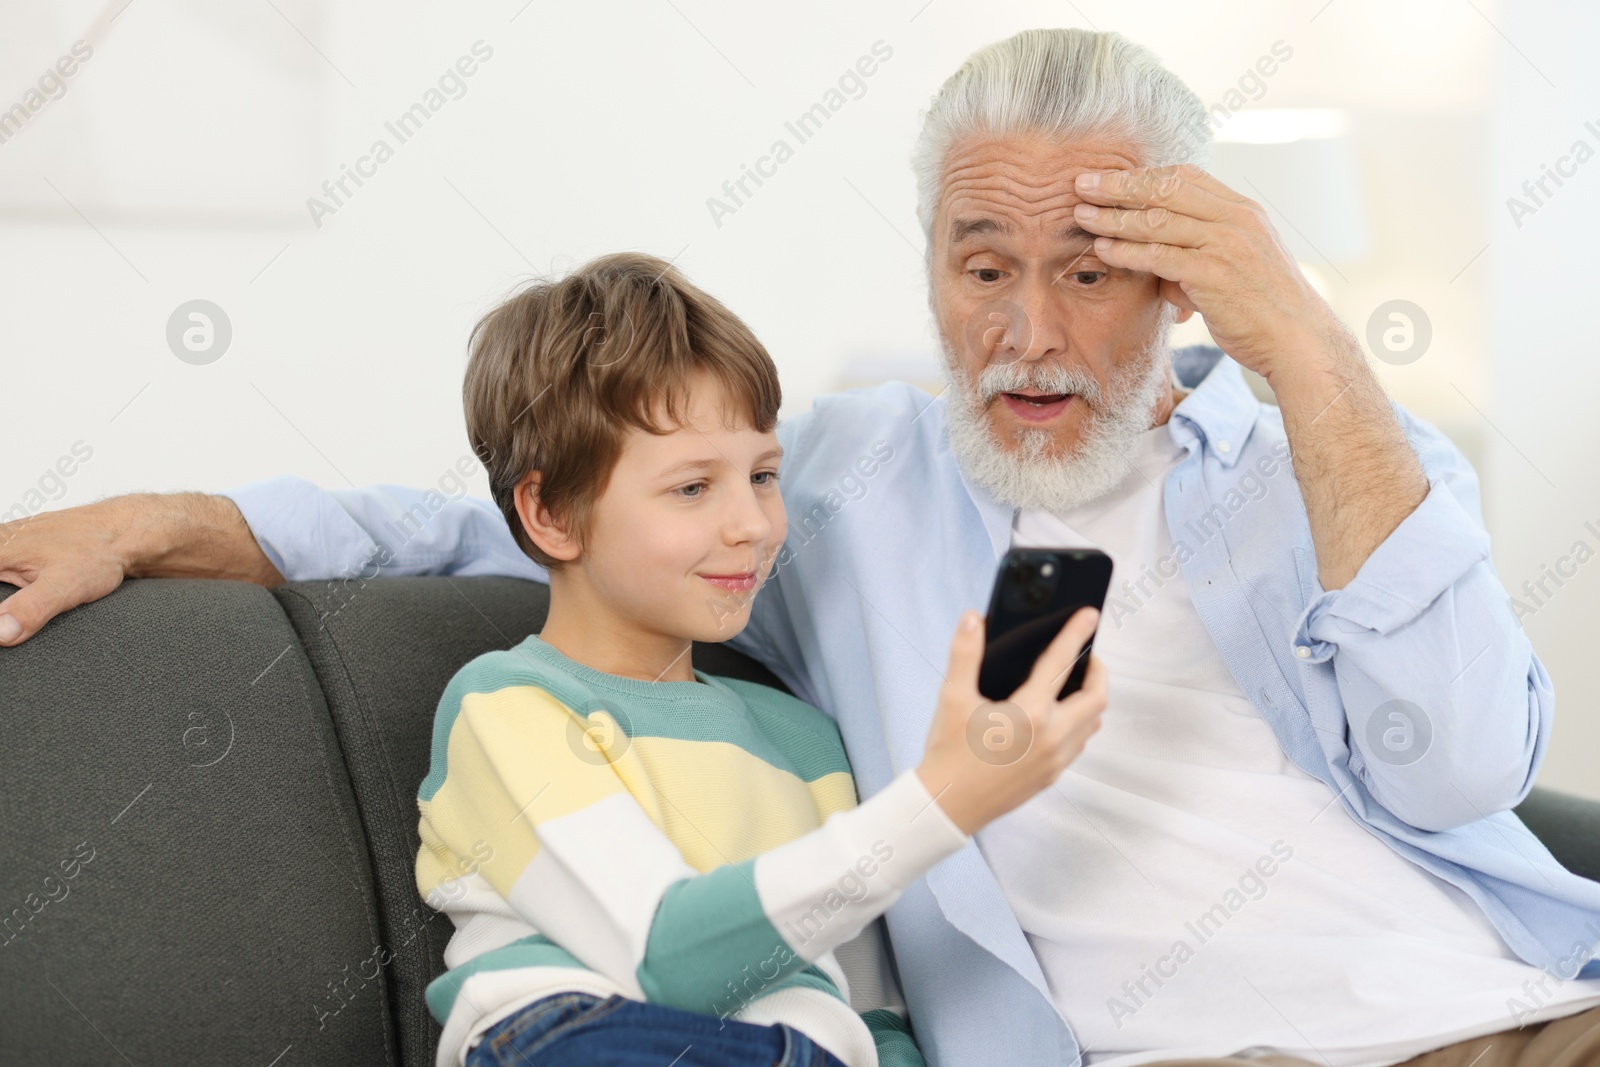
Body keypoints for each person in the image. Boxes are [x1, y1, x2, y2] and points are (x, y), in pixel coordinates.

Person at [4, 26, 1600, 1067]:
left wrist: (1311, 353)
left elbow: (1462, 767)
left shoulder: (1337, 460)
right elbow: (520, 508)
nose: (1026, 334)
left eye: (1092, 271)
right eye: (982, 267)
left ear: (1187, 279)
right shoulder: (837, 483)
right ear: (929, 262)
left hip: (1528, 997)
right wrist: (171, 519)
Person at [412, 250, 1105, 1067]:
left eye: (765, 474)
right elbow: (664, 958)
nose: (754, 523)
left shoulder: (802, 738)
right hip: (588, 1039)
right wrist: (940, 801)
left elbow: (873, 1018)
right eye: (693, 488)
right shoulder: (511, 708)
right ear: (551, 513)